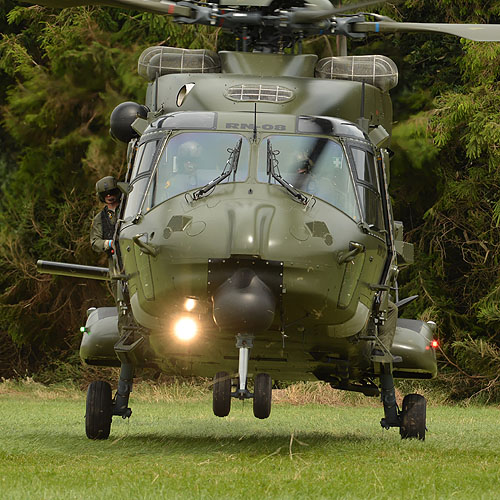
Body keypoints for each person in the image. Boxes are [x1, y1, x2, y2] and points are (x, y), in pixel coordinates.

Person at [90, 176, 121, 254]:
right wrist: (108, 243)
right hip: (115, 258)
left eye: (112, 192)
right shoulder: (99, 218)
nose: (109, 196)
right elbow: (95, 242)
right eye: (105, 194)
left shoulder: (129, 207)